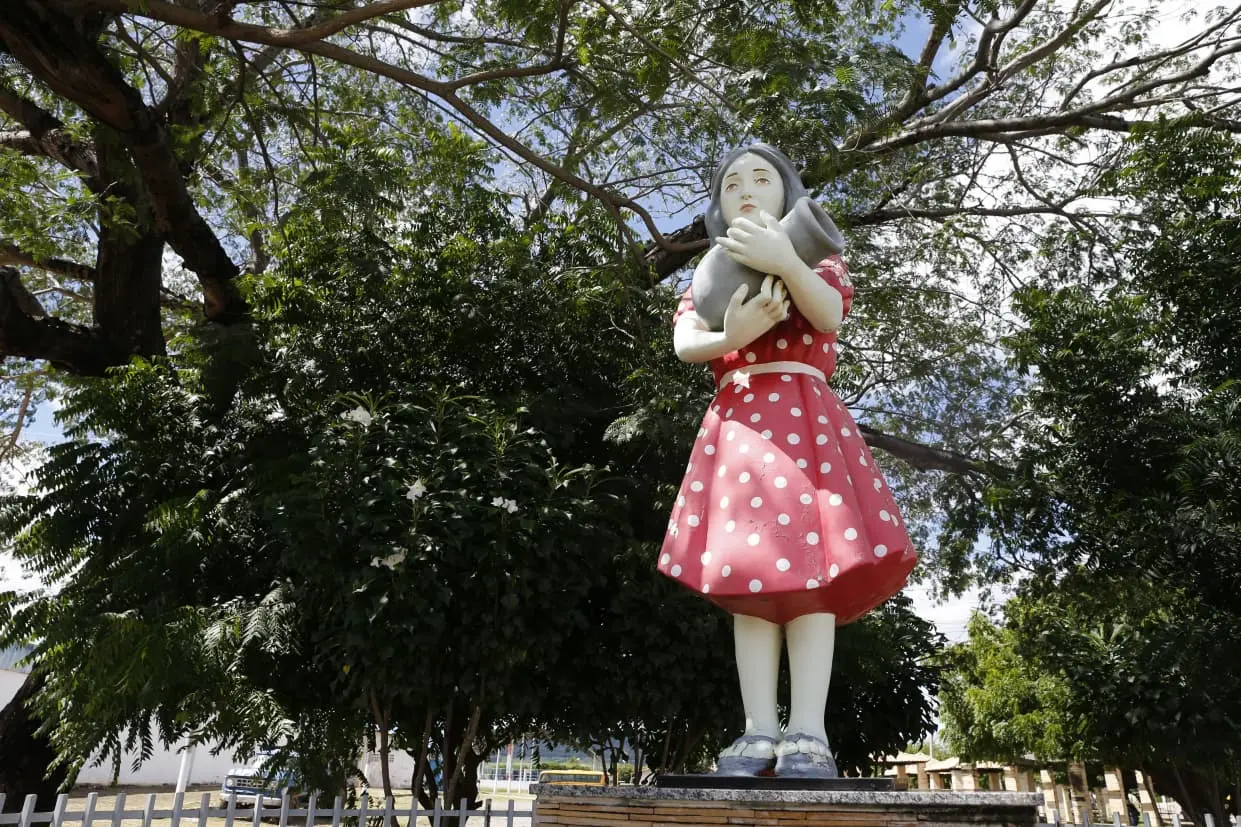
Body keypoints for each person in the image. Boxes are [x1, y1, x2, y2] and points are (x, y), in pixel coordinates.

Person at [658, 144, 917, 778]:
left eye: (761, 179)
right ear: (717, 205)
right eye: (731, 184)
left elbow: (827, 314)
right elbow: (686, 341)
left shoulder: (819, 259)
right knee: (750, 590)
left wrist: (786, 263)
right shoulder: (709, 273)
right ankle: (756, 731)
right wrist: (731, 338)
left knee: (813, 585)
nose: (745, 189)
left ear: (787, 190)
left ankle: (808, 732)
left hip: (805, 422)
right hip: (742, 424)